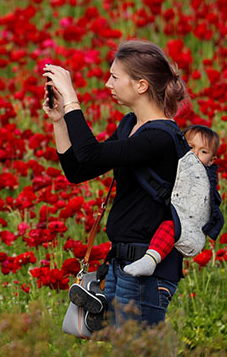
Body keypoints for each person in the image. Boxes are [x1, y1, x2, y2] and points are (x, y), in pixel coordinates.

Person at [43, 40, 188, 328]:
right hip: (122, 264)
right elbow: (79, 169)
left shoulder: (160, 138)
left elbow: (91, 152)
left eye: (114, 77)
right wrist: (60, 120)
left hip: (148, 269)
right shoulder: (130, 126)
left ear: (141, 86)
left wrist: (72, 97)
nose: (107, 83)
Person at [122, 124, 220, 277]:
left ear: (212, 160)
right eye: (190, 147)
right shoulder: (174, 166)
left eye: (203, 151)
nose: (194, 154)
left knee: (170, 227)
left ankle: (150, 260)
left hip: (187, 226)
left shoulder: (205, 178)